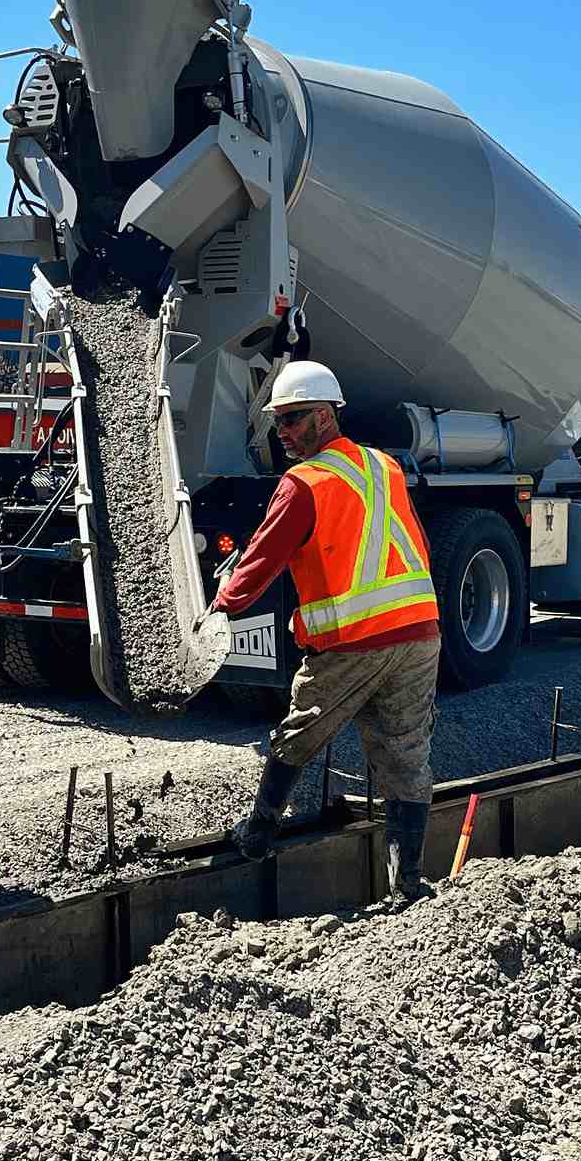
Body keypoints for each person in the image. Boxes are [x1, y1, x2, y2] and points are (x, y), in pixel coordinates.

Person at [208, 361, 441, 903]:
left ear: (324, 415)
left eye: (291, 420)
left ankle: (260, 832)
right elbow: (416, 542)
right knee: (407, 755)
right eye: (278, 423)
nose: (282, 433)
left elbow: (264, 557)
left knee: (301, 733)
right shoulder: (385, 467)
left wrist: (222, 606)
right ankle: (407, 887)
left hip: (353, 641)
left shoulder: (304, 483)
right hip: (418, 632)